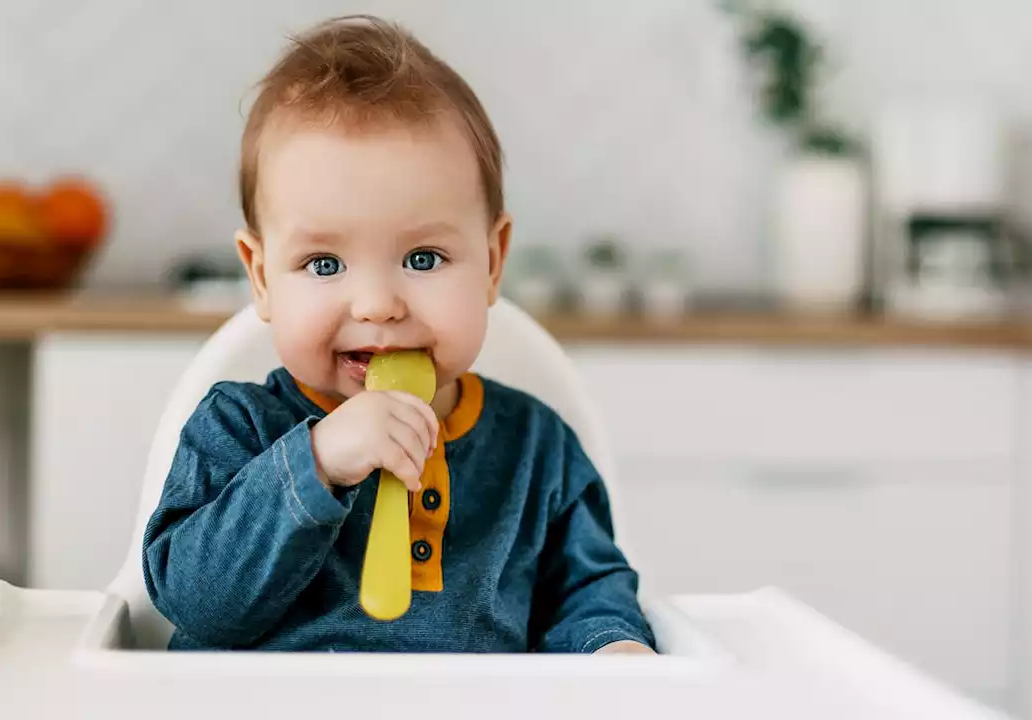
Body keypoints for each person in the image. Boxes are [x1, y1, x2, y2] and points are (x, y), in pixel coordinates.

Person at [141, 14, 654, 655]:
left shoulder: (537, 450)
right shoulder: (236, 429)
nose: (379, 305)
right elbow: (194, 603)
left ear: (493, 263)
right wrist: (316, 463)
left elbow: (590, 592)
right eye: (324, 265)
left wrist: (612, 647)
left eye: (422, 258)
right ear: (262, 276)